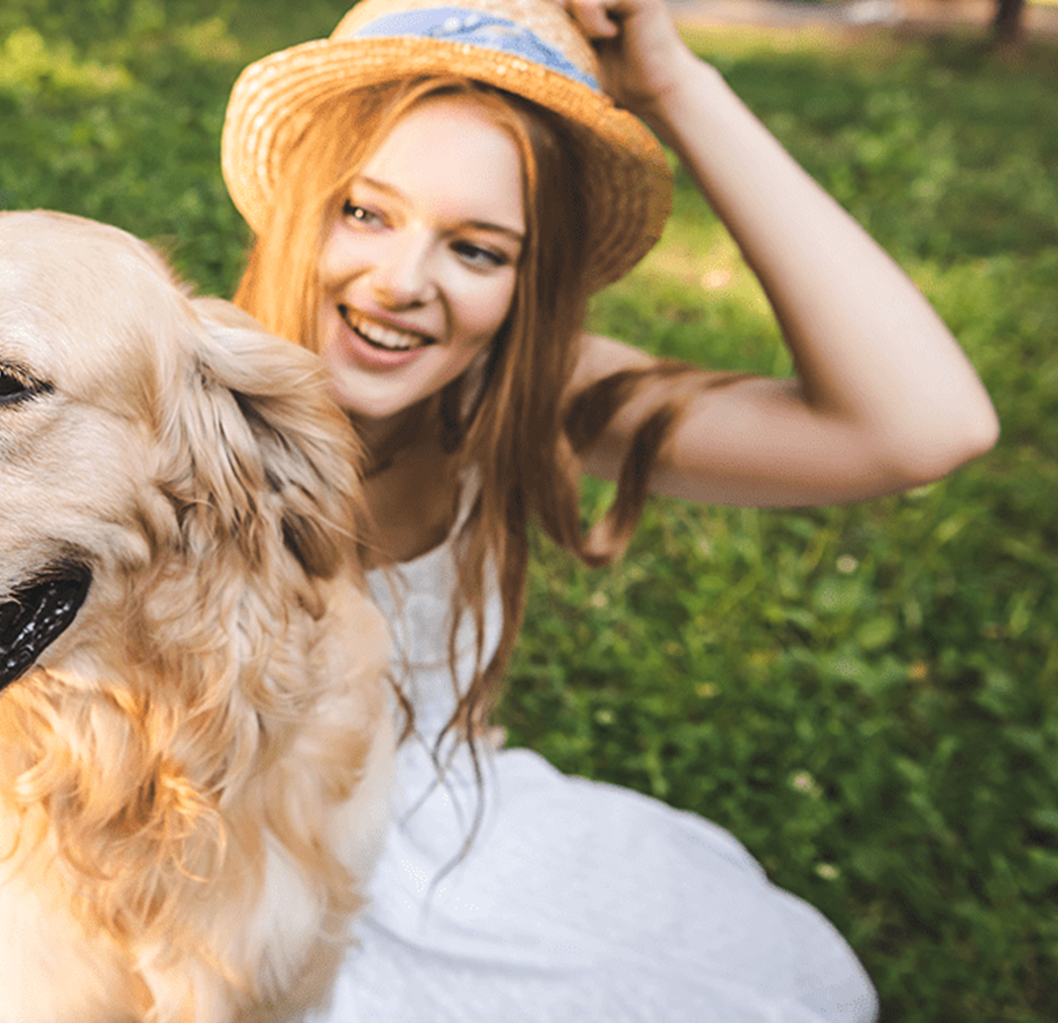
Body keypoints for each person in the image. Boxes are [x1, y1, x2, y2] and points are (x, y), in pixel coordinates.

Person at [218, 0, 997, 1019]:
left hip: (434, 837)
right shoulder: (178, 403)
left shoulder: (521, 399)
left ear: (529, 287)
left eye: (478, 250)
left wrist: (678, 87)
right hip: (223, 879)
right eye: (363, 212)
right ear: (294, 205)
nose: (401, 281)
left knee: (761, 980)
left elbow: (922, 426)